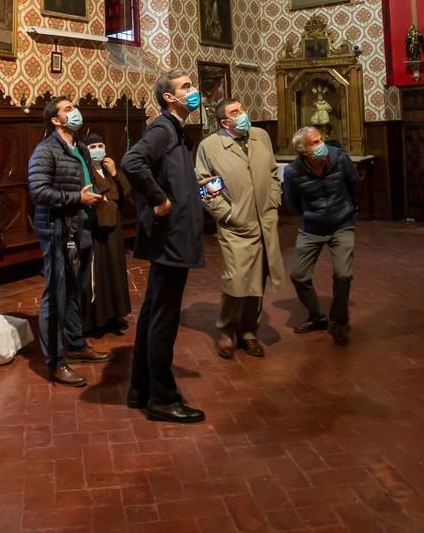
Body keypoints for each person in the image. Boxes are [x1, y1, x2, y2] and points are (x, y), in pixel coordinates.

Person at [120, 70, 208, 423]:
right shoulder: (163, 127)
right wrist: (160, 200)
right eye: (186, 87)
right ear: (169, 97)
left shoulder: (175, 130)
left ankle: (140, 389)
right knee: (164, 318)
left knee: (154, 312)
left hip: (172, 237)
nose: (193, 91)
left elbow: (170, 177)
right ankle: (162, 397)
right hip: (170, 237)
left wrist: (196, 190)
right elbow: (132, 162)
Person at [194, 98, 285, 358]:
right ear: (225, 122)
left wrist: (274, 200)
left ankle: (249, 331)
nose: (243, 114)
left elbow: (272, 172)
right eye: (236, 112)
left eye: (243, 108)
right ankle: (226, 329)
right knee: (236, 281)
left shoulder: (260, 136)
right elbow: (205, 186)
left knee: (259, 279)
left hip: (265, 221)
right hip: (236, 226)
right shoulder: (209, 146)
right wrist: (228, 214)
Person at [28, 96, 109, 385]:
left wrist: (95, 198)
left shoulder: (82, 148)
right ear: (55, 120)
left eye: (74, 107)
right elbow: (39, 192)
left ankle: (76, 345)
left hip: (81, 226)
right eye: (68, 109)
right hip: (57, 229)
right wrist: (78, 198)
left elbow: (86, 183)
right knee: (57, 293)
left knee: (76, 289)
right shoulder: (46, 150)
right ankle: (55, 362)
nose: (75, 112)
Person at [282, 125, 359, 345]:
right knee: (298, 275)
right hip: (312, 227)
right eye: (314, 143)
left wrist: (348, 209)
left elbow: (354, 184)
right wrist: (310, 214)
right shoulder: (293, 171)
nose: (320, 145)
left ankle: (338, 321)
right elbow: (292, 201)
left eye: (320, 140)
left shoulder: (339, 159)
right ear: (303, 150)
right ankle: (317, 316)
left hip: (341, 223)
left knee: (343, 275)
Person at [81, 133, 132, 336]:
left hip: (114, 227)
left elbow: (126, 191)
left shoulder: (108, 170)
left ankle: (115, 314)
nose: (98, 149)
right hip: (97, 229)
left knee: (115, 270)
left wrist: (115, 172)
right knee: (100, 274)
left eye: (100, 145)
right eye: (92, 146)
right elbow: (98, 196)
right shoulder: (87, 171)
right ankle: (98, 319)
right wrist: (108, 200)